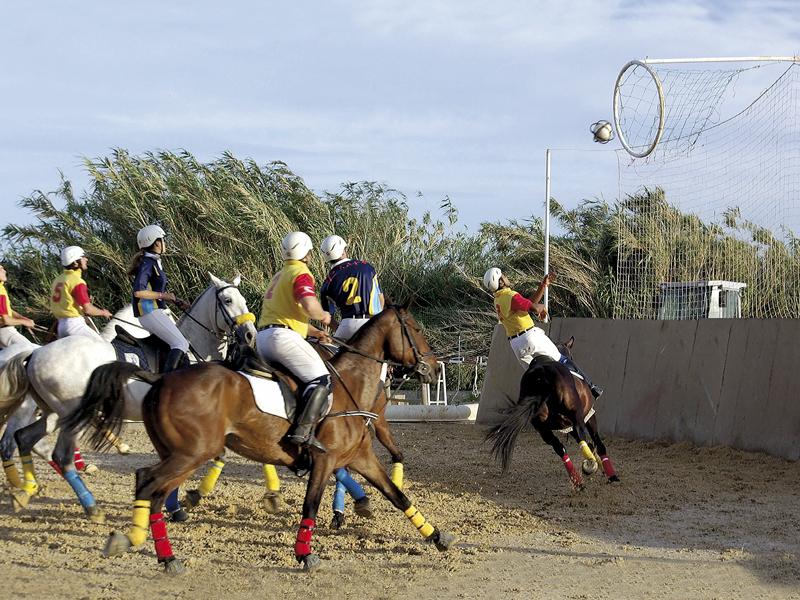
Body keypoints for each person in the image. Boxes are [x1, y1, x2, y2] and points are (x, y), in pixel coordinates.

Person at [257, 231, 332, 452]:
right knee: (322, 380)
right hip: (282, 339)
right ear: (307, 253)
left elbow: (287, 316)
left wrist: (316, 333)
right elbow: (309, 305)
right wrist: (324, 316)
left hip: (263, 338)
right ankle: (303, 433)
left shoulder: (279, 275)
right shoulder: (301, 272)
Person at [483, 267, 602, 398]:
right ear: (501, 282)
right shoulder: (511, 296)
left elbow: (528, 303)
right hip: (530, 338)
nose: (506, 277)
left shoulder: (498, 299)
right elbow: (534, 307)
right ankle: (592, 387)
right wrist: (542, 308)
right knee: (562, 359)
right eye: (503, 276)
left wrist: (543, 286)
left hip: (517, 346)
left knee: (538, 379)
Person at [128, 224, 191, 372]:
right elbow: (138, 292)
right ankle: (168, 381)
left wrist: (175, 300)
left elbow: (154, 290)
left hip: (154, 310)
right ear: (156, 242)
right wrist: (164, 296)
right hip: (149, 311)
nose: (165, 243)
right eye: (163, 239)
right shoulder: (147, 263)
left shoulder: (153, 261)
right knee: (181, 344)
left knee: (170, 345)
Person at [319, 235, 384, 340]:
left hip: (346, 325)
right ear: (343, 251)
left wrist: (340, 328)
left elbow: (326, 317)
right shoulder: (367, 267)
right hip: (371, 324)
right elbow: (380, 298)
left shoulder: (328, 281)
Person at [50, 246, 112, 340]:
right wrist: (103, 313)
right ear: (75, 262)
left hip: (60, 327)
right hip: (74, 325)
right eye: (83, 257)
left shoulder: (58, 280)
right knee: (104, 345)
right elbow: (88, 309)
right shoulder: (77, 281)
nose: (86, 259)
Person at [0, 263, 36, 348]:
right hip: (5, 331)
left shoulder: (1, 288)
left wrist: (23, 318)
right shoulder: (0, 292)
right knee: (34, 351)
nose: (4, 271)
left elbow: (8, 311)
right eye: (1, 269)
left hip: (5, 331)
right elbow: (6, 320)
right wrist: (24, 322)